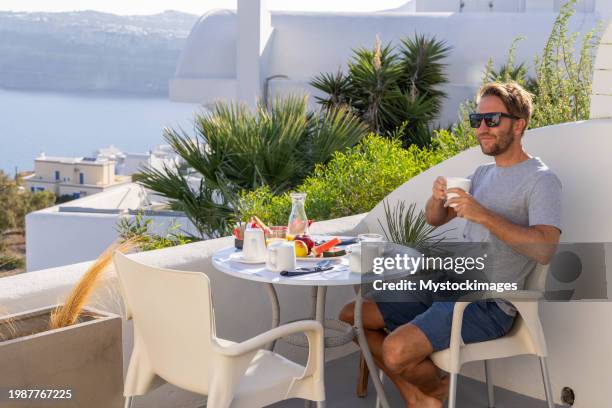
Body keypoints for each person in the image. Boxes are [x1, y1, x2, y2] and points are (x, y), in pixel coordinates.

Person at [339, 81, 562, 408]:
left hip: (488, 303)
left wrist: (483, 215)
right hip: (450, 283)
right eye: (477, 120)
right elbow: (434, 219)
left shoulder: (542, 180)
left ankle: (430, 394)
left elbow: (545, 249)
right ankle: (424, 396)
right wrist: (437, 197)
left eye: (492, 120)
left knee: (395, 350)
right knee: (353, 316)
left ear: (519, 123)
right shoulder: (482, 174)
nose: (482, 128)